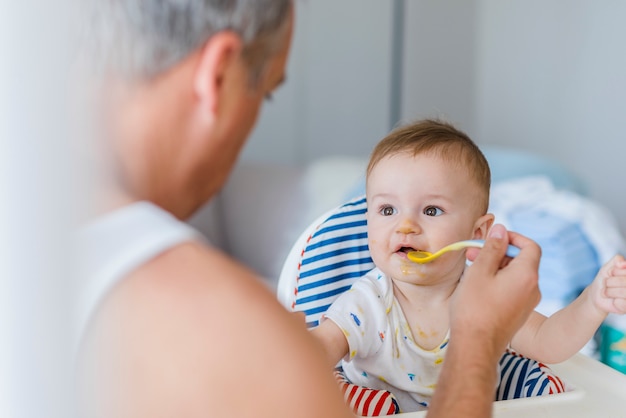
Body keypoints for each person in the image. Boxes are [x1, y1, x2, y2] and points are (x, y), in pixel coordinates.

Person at [74, 1, 546, 417]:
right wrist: (478, 341)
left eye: (432, 211)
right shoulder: (213, 319)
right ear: (217, 76)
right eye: (266, 91)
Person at [310, 118, 626, 414]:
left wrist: (593, 302)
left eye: (431, 210)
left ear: (477, 233)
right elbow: (318, 350)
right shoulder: (366, 304)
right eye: (387, 209)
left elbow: (549, 341)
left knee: (548, 386)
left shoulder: (487, 295)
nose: (405, 225)